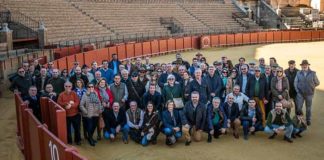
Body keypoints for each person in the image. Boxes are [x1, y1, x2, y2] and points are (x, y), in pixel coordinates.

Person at [294, 60, 320, 126]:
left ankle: (308, 120)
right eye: (303, 65)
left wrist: (312, 87)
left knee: (308, 108)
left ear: (308, 65)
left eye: (305, 65)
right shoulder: (298, 73)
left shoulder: (313, 73)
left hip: (309, 94)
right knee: (299, 108)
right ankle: (298, 119)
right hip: (300, 94)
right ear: (301, 66)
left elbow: (317, 82)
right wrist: (297, 91)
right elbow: (295, 82)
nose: (304, 66)